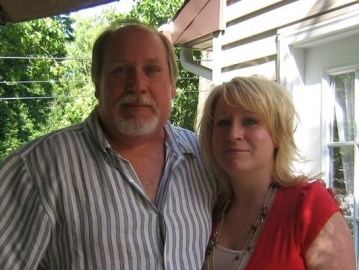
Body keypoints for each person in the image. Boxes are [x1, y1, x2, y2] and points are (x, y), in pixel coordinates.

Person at [0, 20, 217, 269]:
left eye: (152, 69)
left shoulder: (204, 157)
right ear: (97, 84)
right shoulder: (37, 168)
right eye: (121, 70)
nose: (137, 84)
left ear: (172, 86)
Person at [199, 76, 356, 270]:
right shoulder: (207, 208)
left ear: (278, 135)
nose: (233, 134)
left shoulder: (310, 206)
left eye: (249, 121)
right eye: (223, 122)